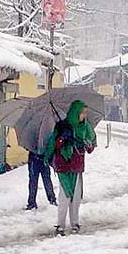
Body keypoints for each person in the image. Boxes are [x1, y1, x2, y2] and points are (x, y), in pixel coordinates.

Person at [44, 100, 97, 236]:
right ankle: (60, 225)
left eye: (86, 112)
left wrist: (88, 145)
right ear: (75, 112)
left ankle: (75, 223)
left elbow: (92, 144)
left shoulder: (85, 127)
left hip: (77, 166)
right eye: (82, 112)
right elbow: (53, 143)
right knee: (65, 196)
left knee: (76, 196)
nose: (85, 115)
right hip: (63, 166)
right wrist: (62, 139)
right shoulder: (62, 126)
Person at [25, 143, 57, 210]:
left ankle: (32, 202)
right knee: (45, 180)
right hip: (41, 159)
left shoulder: (31, 136)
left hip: (36, 159)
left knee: (35, 182)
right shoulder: (46, 134)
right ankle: (51, 199)